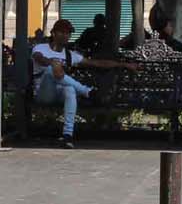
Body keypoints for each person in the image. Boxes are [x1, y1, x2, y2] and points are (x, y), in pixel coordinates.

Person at [29, 18, 130, 146]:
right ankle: (85, 91)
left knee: (70, 90)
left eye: (68, 33)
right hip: (43, 93)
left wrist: (124, 64)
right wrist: (52, 63)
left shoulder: (70, 55)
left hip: (60, 93)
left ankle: (67, 135)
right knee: (51, 69)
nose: (65, 36)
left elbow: (97, 63)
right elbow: (38, 57)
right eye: (62, 32)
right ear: (53, 33)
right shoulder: (41, 48)